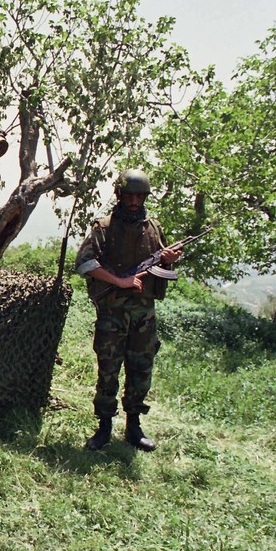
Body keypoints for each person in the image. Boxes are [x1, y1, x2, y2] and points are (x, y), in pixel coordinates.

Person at [75, 168, 181, 452]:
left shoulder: (154, 227)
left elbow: (161, 266)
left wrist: (168, 261)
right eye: (129, 195)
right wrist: (119, 280)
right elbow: (85, 263)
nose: (134, 201)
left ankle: (133, 426)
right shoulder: (104, 227)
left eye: (139, 196)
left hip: (144, 315)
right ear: (119, 195)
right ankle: (104, 427)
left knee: (141, 369)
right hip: (113, 314)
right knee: (108, 370)